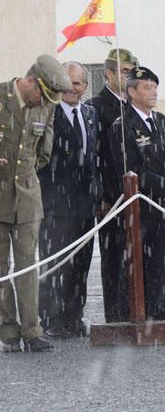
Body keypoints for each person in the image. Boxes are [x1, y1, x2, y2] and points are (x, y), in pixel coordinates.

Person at [0, 55, 68, 353]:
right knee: (1, 267)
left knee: (28, 264)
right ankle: (8, 330)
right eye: (42, 93)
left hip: (28, 197)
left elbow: (43, 152)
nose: (44, 101)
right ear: (29, 82)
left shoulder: (46, 108)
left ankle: (32, 329)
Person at [110, 66, 165, 321]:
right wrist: (163, 185)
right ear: (131, 92)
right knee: (136, 261)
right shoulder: (123, 126)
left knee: (160, 260)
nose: (153, 92)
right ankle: (133, 311)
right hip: (141, 206)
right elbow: (130, 169)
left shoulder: (163, 122)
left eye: (154, 87)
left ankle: (158, 308)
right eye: (146, 87)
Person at [38, 61, 99, 338]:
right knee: (56, 265)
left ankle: (74, 316)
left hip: (86, 205)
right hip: (56, 205)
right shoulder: (47, 114)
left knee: (81, 264)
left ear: (86, 87)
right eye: (69, 82)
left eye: (79, 83)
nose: (74, 88)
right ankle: (51, 319)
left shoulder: (90, 114)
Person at [86, 47, 137, 323]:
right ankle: (115, 314)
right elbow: (96, 156)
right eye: (124, 71)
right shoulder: (97, 106)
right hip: (112, 196)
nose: (128, 76)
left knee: (136, 256)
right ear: (108, 74)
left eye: (131, 71)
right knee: (114, 257)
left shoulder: (133, 104)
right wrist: (103, 195)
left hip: (135, 194)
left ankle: (136, 309)